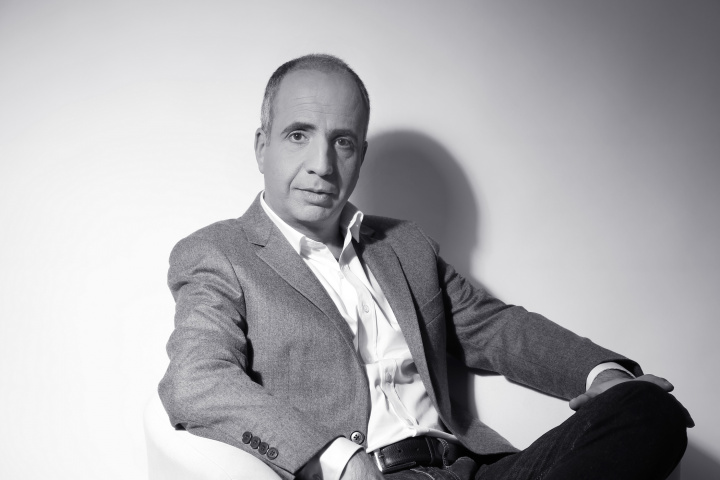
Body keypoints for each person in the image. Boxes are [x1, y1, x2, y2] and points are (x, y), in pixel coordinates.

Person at [159, 54, 692, 480]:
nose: (322, 165)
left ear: (360, 155)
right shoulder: (219, 253)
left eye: (342, 142)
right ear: (262, 146)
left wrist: (601, 375)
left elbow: (496, 327)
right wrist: (336, 459)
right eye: (299, 135)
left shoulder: (403, 244)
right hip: (367, 474)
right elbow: (197, 379)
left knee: (648, 410)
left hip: (473, 468)